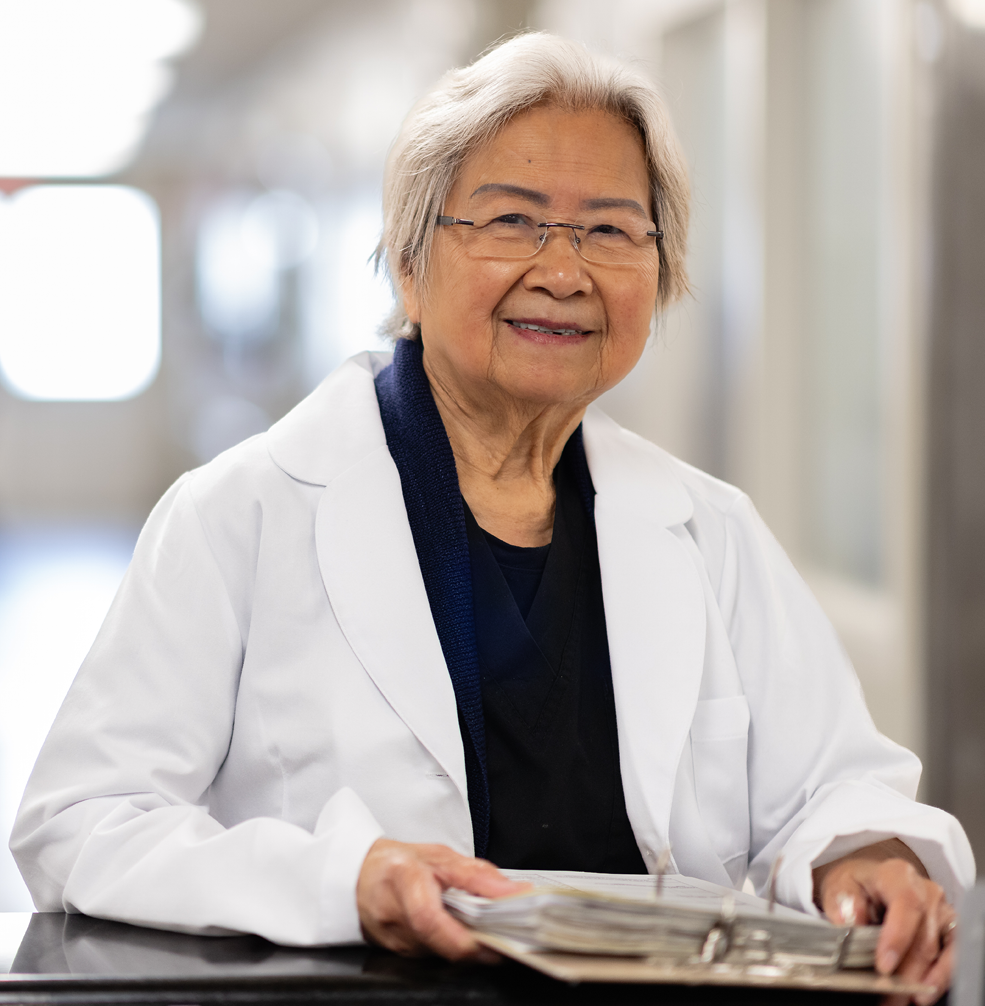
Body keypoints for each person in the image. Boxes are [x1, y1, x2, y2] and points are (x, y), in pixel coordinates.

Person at [11, 32, 973, 1004]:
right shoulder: (242, 514)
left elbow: (834, 786)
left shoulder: (710, 531)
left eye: (609, 231)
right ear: (409, 262)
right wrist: (335, 881)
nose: (563, 272)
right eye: (513, 221)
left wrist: (864, 857)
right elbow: (80, 821)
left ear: (662, 270)